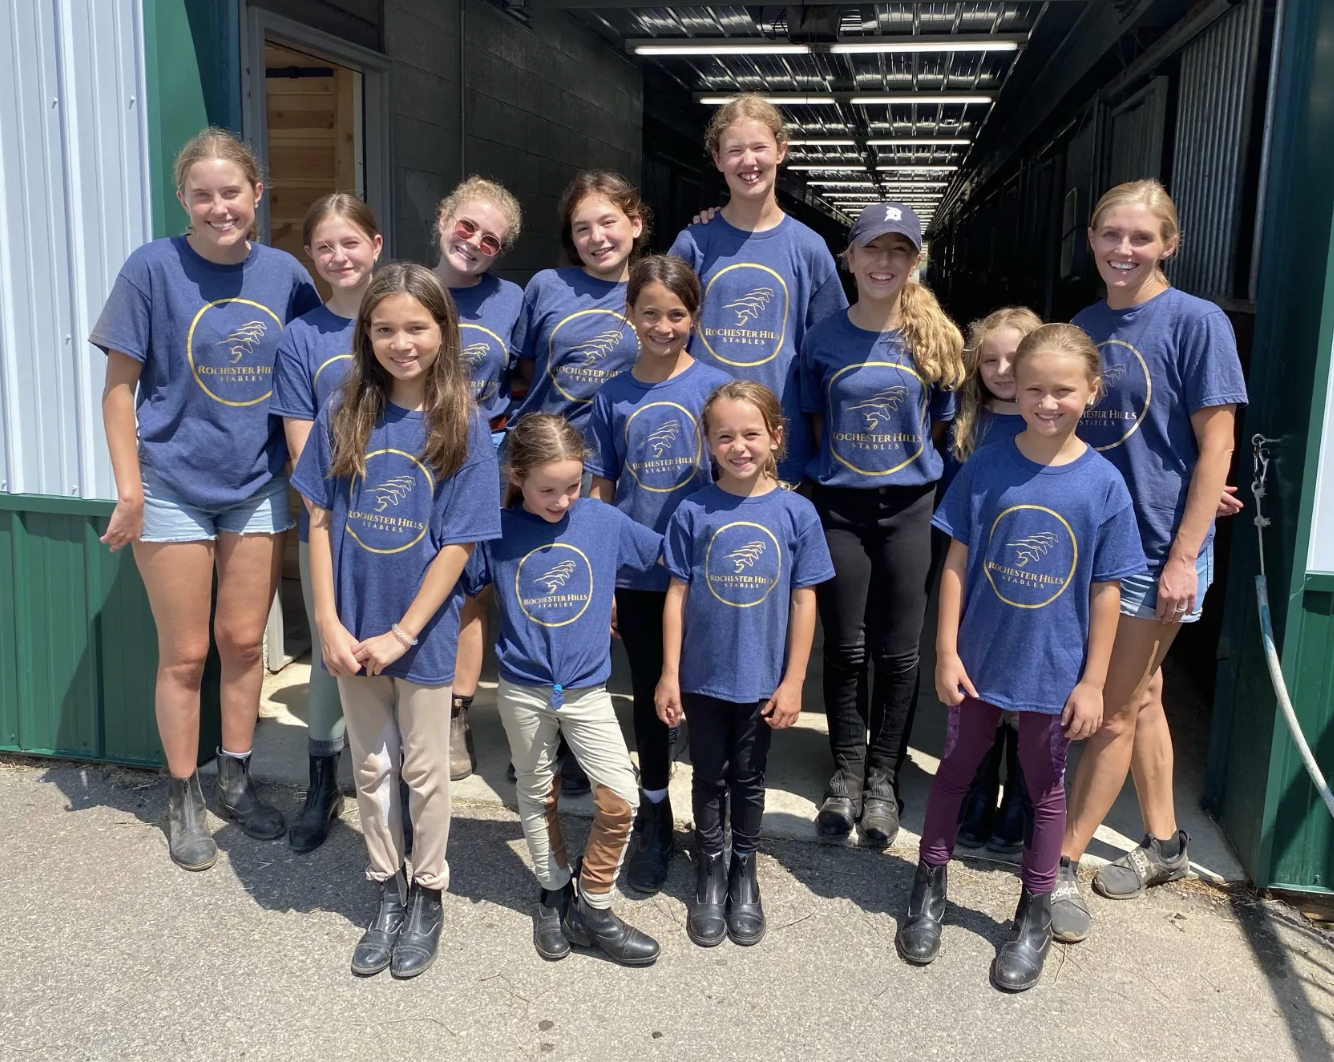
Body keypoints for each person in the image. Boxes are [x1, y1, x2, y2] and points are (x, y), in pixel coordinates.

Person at [91, 127, 321, 872]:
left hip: (255, 486)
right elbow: (119, 389)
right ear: (183, 199)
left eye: (232, 192)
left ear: (257, 194)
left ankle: (237, 776)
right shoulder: (152, 270)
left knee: (244, 644)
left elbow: (319, 366)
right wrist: (130, 489)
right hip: (171, 487)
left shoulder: (286, 274)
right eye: (203, 195)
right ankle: (183, 793)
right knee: (186, 654)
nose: (219, 207)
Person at [897, 324, 1146, 992]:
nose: (1047, 402)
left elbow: (1107, 590)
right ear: (1013, 387)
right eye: (1034, 388)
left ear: (1091, 391)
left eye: (1063, 390)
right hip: (980, 659)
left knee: (1045, 788)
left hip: (1054, 668)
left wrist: (1093, 682)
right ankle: (929, 884)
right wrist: (945, 649)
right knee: (955, 771)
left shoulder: (1103, 486)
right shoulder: (987, 464)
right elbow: (955, 561)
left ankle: (1032, 911)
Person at [292, 263, 502, 980]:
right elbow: (318, 519)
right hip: (352, 627)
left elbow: (460, 544)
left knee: (424, 768)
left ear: (443, 331)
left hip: (421, 633)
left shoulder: (463, 423)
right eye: (384, 328)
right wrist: (326, 618)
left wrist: (405, 632)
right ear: (365, 334)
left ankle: (430, 891)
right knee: (370, 765)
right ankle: (386, 885)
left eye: (417, 327)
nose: (401, 342)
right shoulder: (343, 410)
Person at [1051, 180, 1247, 944]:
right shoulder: (1087, 322)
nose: (1122, 250)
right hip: (1092, 541)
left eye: (1139, 237)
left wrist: (1185, 555)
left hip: (1156, 548)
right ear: (1092, 239)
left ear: (1169, 243)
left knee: (1112, 709)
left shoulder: (1197, 323)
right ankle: (1165, 844)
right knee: (1148, 695)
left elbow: (1217, 444)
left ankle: (1059, 862)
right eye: (1110, 235)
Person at [462, 414, 663, 967]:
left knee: (620, 798)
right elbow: (456, 584)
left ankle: (592, 906)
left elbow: (669, 558)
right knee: (536, 789)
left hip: (588, 691)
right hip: (522, 690)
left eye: (572, 486)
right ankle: (552, 891)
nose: (561, 500)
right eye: (547, 489)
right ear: (517, 475)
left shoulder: (601, 518)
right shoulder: (496, 530)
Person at [795, 204, 963, 846]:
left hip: (909, 510)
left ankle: (884, 778)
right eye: (873, 249)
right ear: (851, 258)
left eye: (899, 251)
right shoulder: (824, 338)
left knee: (899, 651)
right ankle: (847, 769)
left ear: (914, 261)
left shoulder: (934, 339)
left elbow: (938, 428)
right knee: (845, 647)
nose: (884, 262)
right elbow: (815, 423)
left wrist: (901, 473)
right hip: (839, 506)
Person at [656, 380, 834, 947]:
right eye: (724, 436)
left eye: (751, 434)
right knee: (708, 774)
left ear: (776, 437)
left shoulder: (797, 512)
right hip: (704, 676)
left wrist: (794, 679)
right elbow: (677, 593)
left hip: (762, 677)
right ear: (707, 443)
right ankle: (709, 869)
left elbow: (806, 598)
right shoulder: (691, 510)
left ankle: (743, 870)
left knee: (750, 777)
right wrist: (668, 673)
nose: (739, 446)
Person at [586, 256, 731, 894]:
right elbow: (602, 488)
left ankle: (715, 823)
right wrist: (604, 572)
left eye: (677, 314)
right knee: (651, 694)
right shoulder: (612, 396)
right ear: (630, 316)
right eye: (650, 313)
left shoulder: (717, 388)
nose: (664, 325)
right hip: (641, 574)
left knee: (709, 694)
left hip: (708, 575)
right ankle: (654, 812)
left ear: (694, 317)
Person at [272, 193, 384, 853]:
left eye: (350, 242)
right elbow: (300, 443)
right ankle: (323, 781)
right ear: (310, 257)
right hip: (333, 518)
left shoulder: (405, 315)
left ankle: (391, 781)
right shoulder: (302, 336)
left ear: (374, 243)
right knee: (329, 652)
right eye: (324, 247)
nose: (339, 257)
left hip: (404, 515)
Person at [669, 94, 848, 481]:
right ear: (717, 159)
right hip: (701, 439)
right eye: (734, 151)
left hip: (782, 443)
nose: (748, 162)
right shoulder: (694, 243)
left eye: (759, 148)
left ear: (781, 150)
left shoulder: (809, 248)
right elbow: (662, 336)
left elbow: (832, 350)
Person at [430, 176, 525, 782]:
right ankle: (409, 698)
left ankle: (455, 713)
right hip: (411, 450)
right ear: (443, 220)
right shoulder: (401, 288)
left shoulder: (510, 299)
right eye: (466, 226)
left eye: (491, 239)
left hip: (482, 453)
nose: (474, 242)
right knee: (407, 572)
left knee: (470, 587)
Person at [943, 307, 1042, 854]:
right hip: (979, 577)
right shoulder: (967, 424)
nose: (1004, 370)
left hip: (1034, 578)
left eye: (1017, 358)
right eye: (991, 359)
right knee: (976, 684)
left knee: (1025, 690)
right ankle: (978, 791)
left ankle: (1022, 797)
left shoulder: (1051, 419)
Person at [510, 171, 648, 438]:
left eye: (608, 222)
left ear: (635, 225)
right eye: (582, 228)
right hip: (542, 452)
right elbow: (525, 362)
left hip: (614, 453)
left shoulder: (651, 294)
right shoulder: (546, 285)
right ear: (572, 237)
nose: (597, 237)